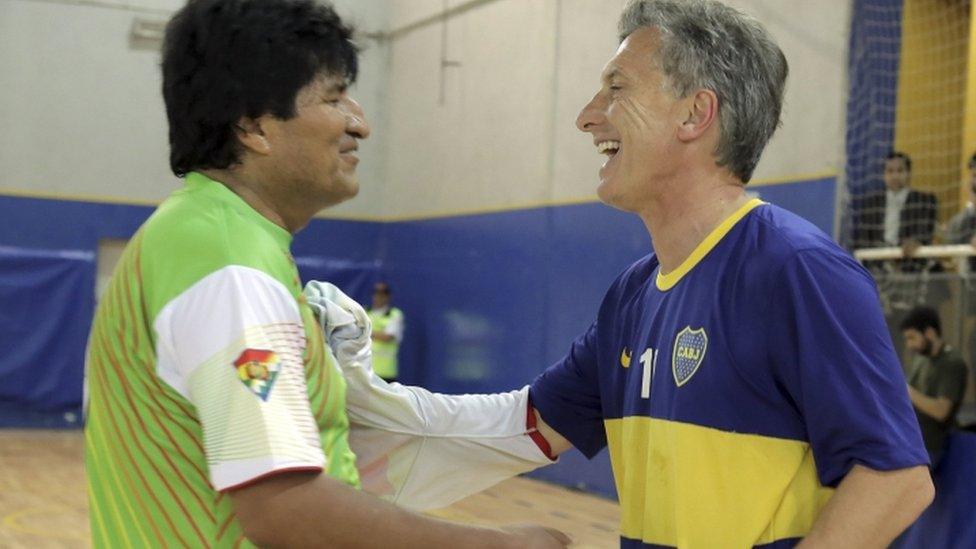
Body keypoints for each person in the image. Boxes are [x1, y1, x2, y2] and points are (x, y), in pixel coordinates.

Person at [83, 1, 569, 547]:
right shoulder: (230, 266)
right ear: (253, 126)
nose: (359, 123)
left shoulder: (208, 237)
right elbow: (285, 508)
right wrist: (499, 545)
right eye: (335, 97)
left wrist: (549, 414)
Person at [523, 1, 932, 547]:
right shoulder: (632, 295)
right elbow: (526, 422)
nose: (587, 115)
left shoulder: (798, 268)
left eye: (616, 88)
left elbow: (897, 480)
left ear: (695, 115)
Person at [901, 306, 969, 467]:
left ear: (930, 333)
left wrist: (905, 391)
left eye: (912, 338)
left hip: (930, 446)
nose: (909, 345)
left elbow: (941, 411)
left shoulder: (952, 363)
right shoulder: (921, 358)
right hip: (910, 440)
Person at [368, 282, 404, 382]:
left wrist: (365, 330)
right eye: (376, 292)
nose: (378, 296)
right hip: (365, 370)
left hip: (386, 372)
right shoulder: (365, 312)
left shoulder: (394, 315)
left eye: (383, 293)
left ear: (388, 296)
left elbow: (387, 337)